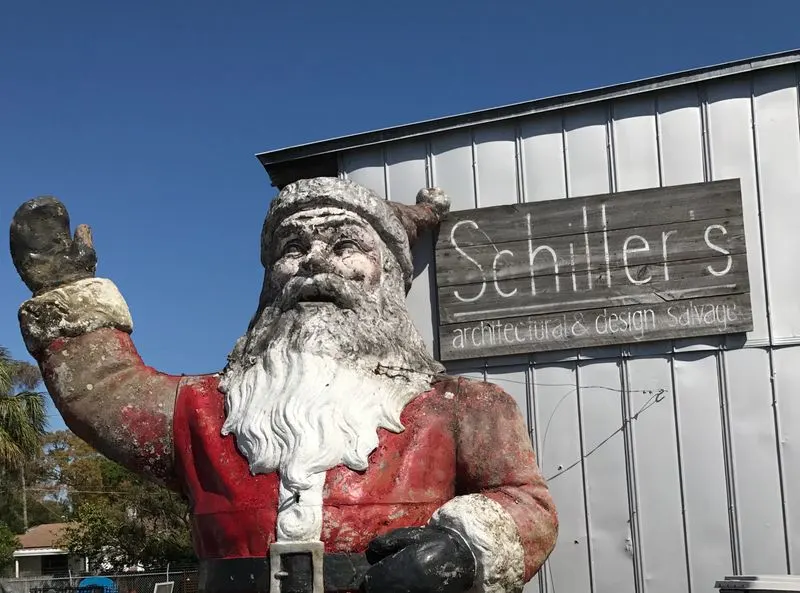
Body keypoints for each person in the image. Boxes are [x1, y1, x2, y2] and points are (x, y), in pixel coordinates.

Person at [10, 177, 558, 593]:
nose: (315, 263)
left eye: (346, 247)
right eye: (292, 250)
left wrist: (462, 547)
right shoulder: (201, 408)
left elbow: (526, 502)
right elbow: (107, 394)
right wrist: (66, 291)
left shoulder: (462, 405)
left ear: (388, 276)